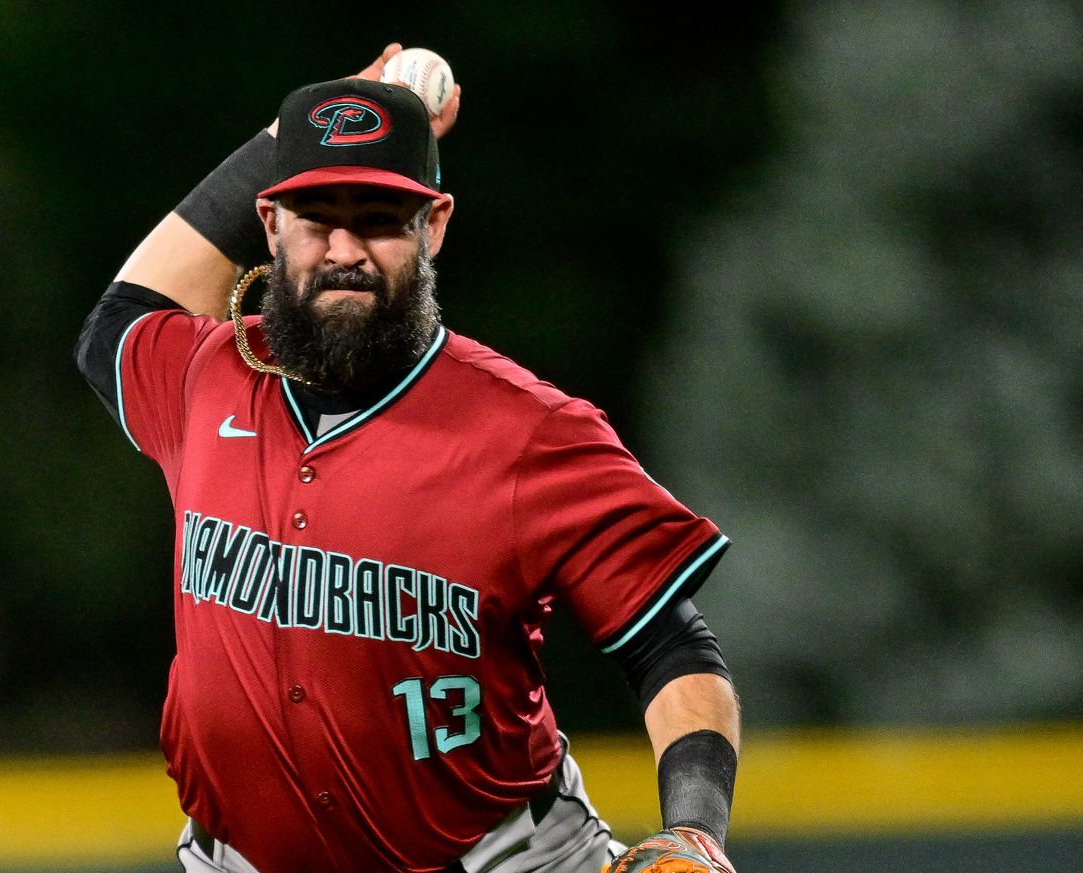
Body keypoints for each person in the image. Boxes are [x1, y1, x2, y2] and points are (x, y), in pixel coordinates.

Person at [75, 44, 740, 873]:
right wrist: (295, 130)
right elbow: (119, 318)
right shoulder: (208, 377)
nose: (346, 248)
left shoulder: (528, 429)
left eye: (381, 220)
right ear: (270, 225)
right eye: (318, 216)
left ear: (434, 226)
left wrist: (695, 826)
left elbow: (669, 644)